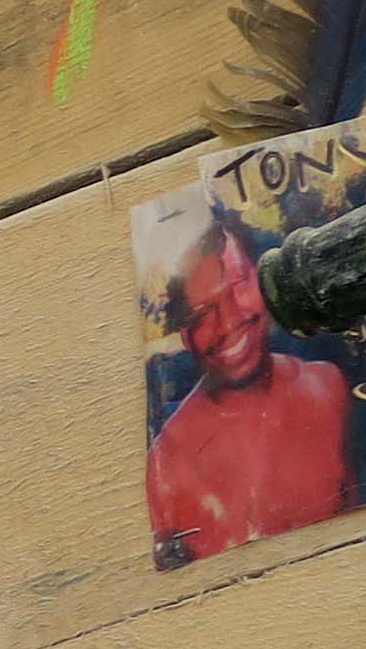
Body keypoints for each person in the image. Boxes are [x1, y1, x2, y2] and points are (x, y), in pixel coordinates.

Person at [145, 215, 352, 563]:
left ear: (263, 277)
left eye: (239, 284)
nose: (228, 322)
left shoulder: (327, 387)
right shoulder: (168, 465)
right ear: (185, 334)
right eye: (201, 313)